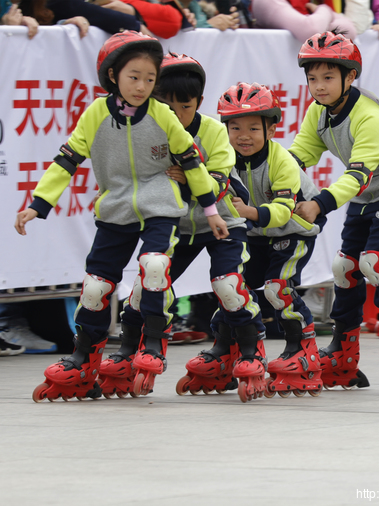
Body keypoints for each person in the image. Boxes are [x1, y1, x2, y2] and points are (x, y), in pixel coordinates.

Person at [16, 31, 226, 402]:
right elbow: (67, 160)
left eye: (150, 79)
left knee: (156, 265)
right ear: (113, 75)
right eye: (134, 77)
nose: (142, 86)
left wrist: (210, 210)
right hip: (115, 207)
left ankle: (154, 342)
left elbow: (192, 161)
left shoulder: (163, 114)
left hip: (160, 204)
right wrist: (38, 203)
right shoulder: (96, 113)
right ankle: (83, 358)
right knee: (97, 287)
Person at [99, 54, 267, 401]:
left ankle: (251, 350)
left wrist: (191, 179)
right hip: (176, 224)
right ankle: (130, 348)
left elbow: (223, 182)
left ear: (200, 103)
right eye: (166, 105)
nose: (175, 114)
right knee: (147, 284)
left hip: (222, 222)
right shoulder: (146, 129)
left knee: (228, 285)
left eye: (185, 107)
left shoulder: (216, 131)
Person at [290, 31, 379, 390]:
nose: (318, 87)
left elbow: (357, 174)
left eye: (328, 78)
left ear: (350, 77)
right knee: (344, 267)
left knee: (374, 261)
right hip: (367, 194)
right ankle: (343, 351)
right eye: (312, 79)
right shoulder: (317, 112)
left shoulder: (368, 114)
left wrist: (319, 203)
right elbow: (296, 159)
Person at [219, 82, 326, 401]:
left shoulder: (283, 160)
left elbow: (283, 211)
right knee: (231, 289)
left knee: (277, 288)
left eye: (254, 127)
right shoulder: (225, 159)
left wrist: (249, 210)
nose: (243, 135)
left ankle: (302, 350)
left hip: (295, 232)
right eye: (235, 127)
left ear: (272, 127)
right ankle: (224, 351)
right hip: (256, 235)